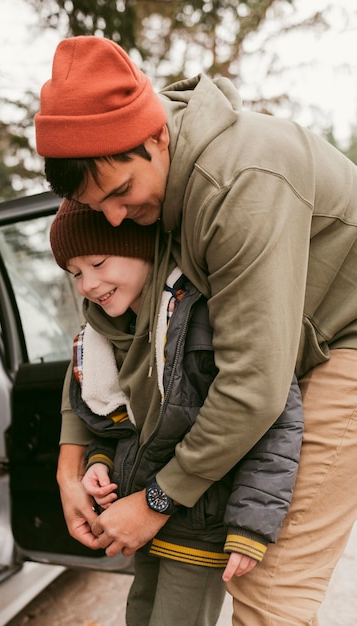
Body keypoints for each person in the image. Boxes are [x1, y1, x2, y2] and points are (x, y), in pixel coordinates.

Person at [35, 35, 357, 625]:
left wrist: (159, 499)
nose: (113, 219)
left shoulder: (240, 183)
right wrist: (70, 461)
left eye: (119, 194)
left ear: (155, 135)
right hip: (286, 353)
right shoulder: (155, 194)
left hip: (346, 343)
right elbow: (101, 334)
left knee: (271, 589)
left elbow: (255, 385)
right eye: (94, 206)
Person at [49, 198, 303, 626]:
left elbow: (274, 420)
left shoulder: (205, 316)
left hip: (202, 524)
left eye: (97, 262)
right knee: (141, 615)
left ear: (141, 247)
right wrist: (99, 460)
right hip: (144, 520)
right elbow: (125, 423)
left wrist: (251, 525)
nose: (88, 284)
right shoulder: (112, 336)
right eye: (75, 274)